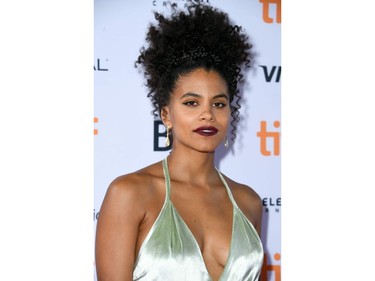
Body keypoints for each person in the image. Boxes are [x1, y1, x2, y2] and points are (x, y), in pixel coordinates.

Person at [95, 1, 264, 280]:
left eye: (219, 104)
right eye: (191, 103)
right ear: (166, 114)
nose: (207, 114)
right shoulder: (129, 193)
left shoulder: (249, 202)